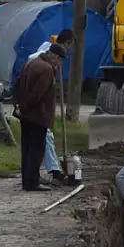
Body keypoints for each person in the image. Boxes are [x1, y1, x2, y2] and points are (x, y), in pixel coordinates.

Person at [14, 44, 66, 191]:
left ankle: (27, 181)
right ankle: (33, 182)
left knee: (27, 148)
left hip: (26, 115)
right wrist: (26, 107)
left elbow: (18, 85)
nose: (59, 65)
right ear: (54, 57)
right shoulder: (47, 70)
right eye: (59, 61)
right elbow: (38, 94)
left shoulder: (31, 64)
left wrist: (20, 106)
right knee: (36, 150)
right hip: (38, 115)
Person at [30, 29, 74, 183]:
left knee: (44, 138)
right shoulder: (45, 53)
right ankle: (53, 170)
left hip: (42, 104)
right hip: (35, 104)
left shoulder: (51, 53)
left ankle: (48, 170)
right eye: (69, 46)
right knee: (44, 137)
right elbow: (33, 60)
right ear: (67, 43)